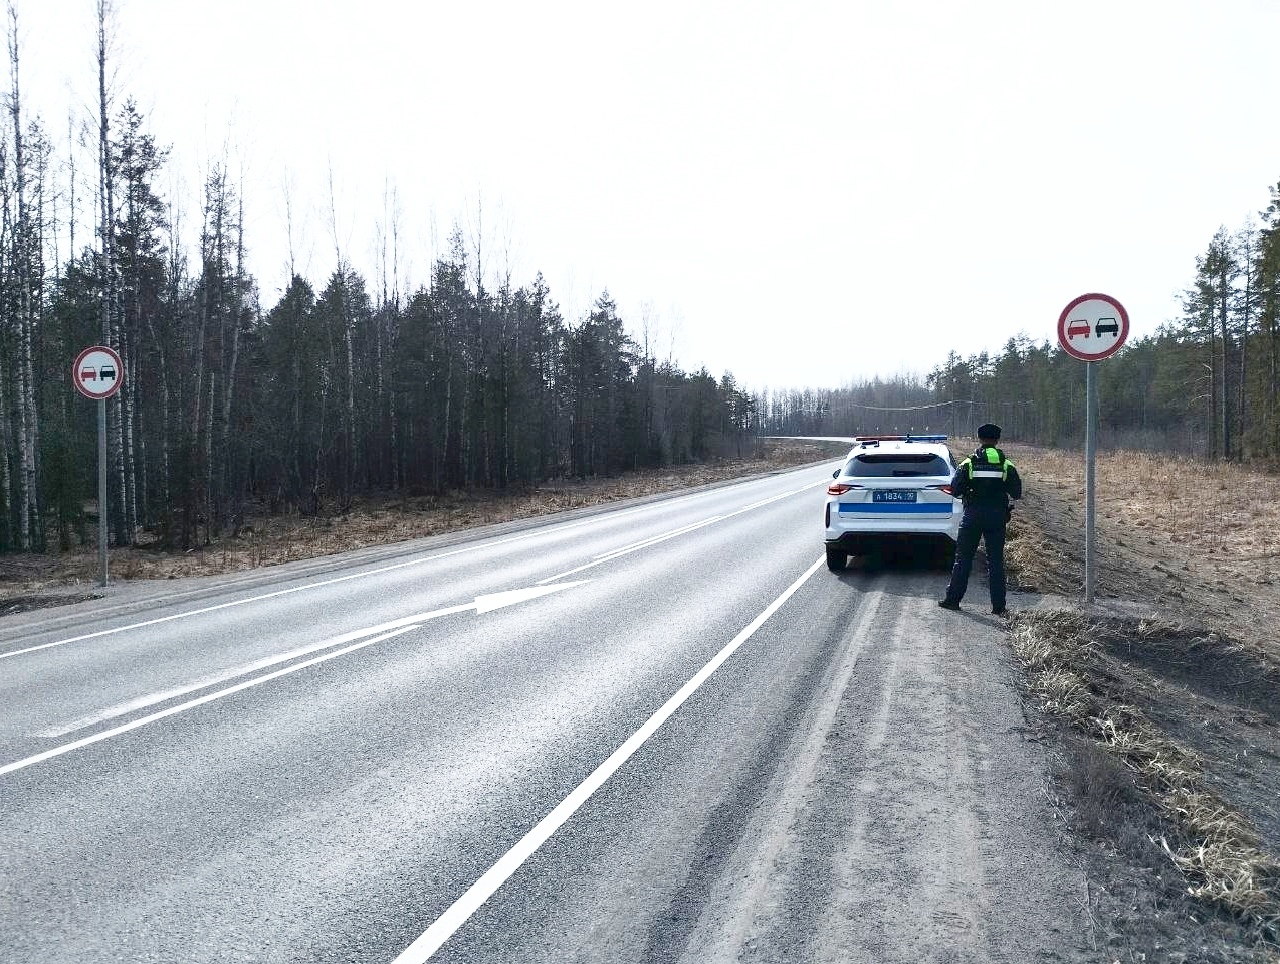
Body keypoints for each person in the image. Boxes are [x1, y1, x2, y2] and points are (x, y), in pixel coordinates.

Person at [939, 423, 1022, 616]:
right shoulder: (1006, 465)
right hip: (997, 518)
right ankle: (998, 607)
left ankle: (953, 600)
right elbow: (1017, 492)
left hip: (972, 516)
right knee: (996, 562)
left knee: (963, 558)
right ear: (997, 440)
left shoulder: (968, 463)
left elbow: (954, 489)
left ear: (980, 439)